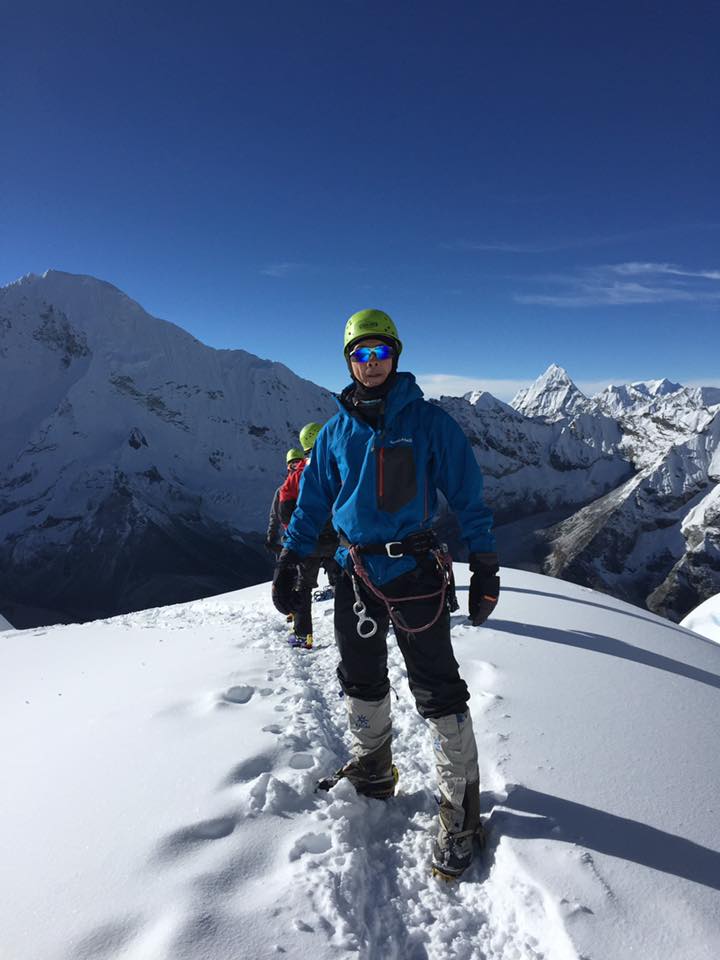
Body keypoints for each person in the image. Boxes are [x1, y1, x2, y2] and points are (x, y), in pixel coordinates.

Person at [272, 309, 500, 880]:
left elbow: (468, 494)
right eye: (360, 355)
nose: (370, 364)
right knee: (361, 677)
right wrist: (293, 557)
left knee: (438, 689)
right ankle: (375, 769)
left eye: (379, 354)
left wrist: (487, 563)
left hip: (416, 573)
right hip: (354, 573)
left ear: (396, 356)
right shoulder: (334, 432)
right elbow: (314, 503)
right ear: (348, 361)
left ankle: (462, 814)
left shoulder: (428, 423)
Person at [278, 423, 341, 648]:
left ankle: (304, 636)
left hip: (308, 543)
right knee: (345, 584)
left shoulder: (296, 477)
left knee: (302, 588)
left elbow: (284, 511)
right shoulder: (339, 464)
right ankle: (353, 632)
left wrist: (293, 539)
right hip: (338, 541)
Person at [265, 448, 305, 556]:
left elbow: (275, 516)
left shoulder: (283, 491)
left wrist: (271, 538)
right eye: (293, 464)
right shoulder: (313, 485)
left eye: (297, 464)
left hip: (293, 539)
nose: (295, 467)